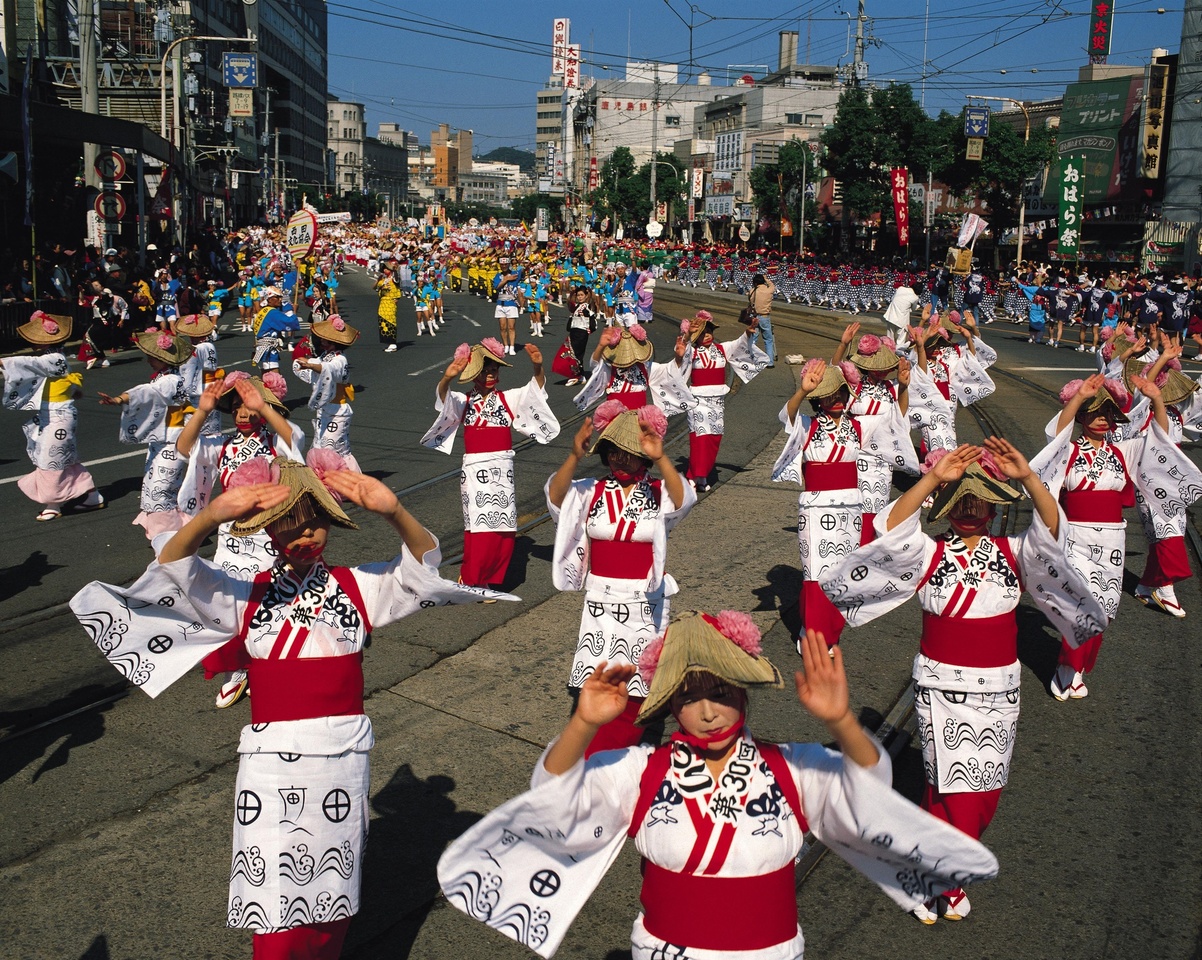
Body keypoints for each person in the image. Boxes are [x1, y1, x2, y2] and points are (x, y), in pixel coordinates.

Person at [71, 456, 513, 960]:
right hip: (271, 767)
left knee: (333, 890)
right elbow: (175, 567)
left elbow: (421, 567)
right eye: (288, 526)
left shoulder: (358, 586)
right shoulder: (243, 596)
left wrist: (393, 511)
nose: (304, 535)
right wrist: (210, 516)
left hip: (342, 761)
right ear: (267, 533)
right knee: (275, 899)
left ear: (330, 524)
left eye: (314, 522)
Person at [438, 613, 999, 958]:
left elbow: (867, 787)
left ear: (745, 693)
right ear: (670, 706)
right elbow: (554, 799)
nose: (707, 713)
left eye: (722, 693)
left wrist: (840, 721)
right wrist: (583, 723)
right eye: (687, 698)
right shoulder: (643, 769)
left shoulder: (791, 766)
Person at [821, 439, 1105, 923]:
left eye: (981, 502)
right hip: (940, 689)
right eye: (962, 502)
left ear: (995, 508)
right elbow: (888, 530)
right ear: (948, 507)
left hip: (998, 689)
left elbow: (1055, 530)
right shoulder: (928, 553)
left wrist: (1029, 479)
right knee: (949, 789)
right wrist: (932, 479)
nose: (971, 510)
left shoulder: (1016, 552)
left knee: (986, 790)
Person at [1030, 373, 1202, 699]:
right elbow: (1055, 435)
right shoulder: (1067, 450)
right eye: (1094, 413)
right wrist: (1080, 396)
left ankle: (1077, 667)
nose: (1102, 420)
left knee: (1102, 609)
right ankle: (1067, 668)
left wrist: (1157, 400)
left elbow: (1161, 440)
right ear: (1080, 417)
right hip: (1074, 539)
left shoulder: (1124, 451)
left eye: (1107, 414)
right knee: (1078, 605)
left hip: (1112, 542)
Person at [545, 402, 696, 753]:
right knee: (599, 677)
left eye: (628, 454)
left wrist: (661, 458)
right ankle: (596, 742)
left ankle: (614, 750)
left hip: (644, 603)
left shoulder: (658, 493)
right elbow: (556, 500)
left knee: (636, 684)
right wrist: (573, 456)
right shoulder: (592, 490)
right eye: (612, 453)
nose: (619, 460)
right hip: (600, 601)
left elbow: (683, 501)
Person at [176, 371, 304, 708]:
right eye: (237, 409)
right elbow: (184, 447)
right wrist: (202, 411)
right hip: (230, 539)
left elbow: (294, 439)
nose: (243, 415)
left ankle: (268, 663)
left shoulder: (273, 443)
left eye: (249, 409)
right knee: (226, 605)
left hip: (267, 535)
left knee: (265, 603)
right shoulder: (222, 445)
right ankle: (240, 668)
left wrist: (264, 406)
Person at [772, 358, 915, 649]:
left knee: (841, 575)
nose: (835, 400)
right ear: (818, 400)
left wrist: (903, 388)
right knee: (814, 574)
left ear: (848, 394)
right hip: (815, 511)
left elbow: (896, 419)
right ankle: (810, 634)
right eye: (827, 395)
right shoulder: (808, 425)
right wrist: (801, 392)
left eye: (839, 393)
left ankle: (831, 634)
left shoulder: (859, 426)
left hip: (850, 510)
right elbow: (784, 418)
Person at [422, 339, 559, 589]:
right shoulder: (464, 402)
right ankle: (473, 578)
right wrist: (447, 378)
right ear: (474, 373)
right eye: (484, 370)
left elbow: (535, 392)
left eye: (493, 369)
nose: (489, 375)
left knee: (504, 530)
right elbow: (444, 402)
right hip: (475, 474)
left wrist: (538, 367)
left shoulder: (508, 399)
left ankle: (492, 577)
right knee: (478, 529)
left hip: (502, 474)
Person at [1, 311, 105, 521]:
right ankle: (93, 495)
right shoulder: (53, 358)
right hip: (54, 414)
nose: (33, 344)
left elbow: (28, 363)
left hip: (59, 416)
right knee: (65, 458)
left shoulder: (54, 358)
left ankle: (53, 503)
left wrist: (4, 362)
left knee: (50, 458)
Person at [98, 329, 193, 540]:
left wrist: (120, 399)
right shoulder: (165, 378)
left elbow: (145, 392)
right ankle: (177, 532)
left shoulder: (170, 381)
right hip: (163, 440)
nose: (148, 360)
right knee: (155, 487)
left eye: (153, 357)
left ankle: (169, 536)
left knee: (161, 489)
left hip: (173, 440)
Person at [678, 309, 769, 491]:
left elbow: (738, 344)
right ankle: (693, 475)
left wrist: (748, 332)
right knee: (699, 439)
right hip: (698, 402)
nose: (707, 336)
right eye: (703, 334)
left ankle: (703, 475)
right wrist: (687, 335)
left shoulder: (721, 349)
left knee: (713, 439)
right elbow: (680, 353)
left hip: (717, 403)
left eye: (710, 332)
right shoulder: (692, 352)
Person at [293, 315, 363, 472]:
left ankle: (343, 483)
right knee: (324, 446)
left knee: (330, 449)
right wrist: (305, 363)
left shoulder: (340, 360)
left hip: (337, 411)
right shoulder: (325, 356)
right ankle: (328, 483)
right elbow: (318, 365)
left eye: (326, 339)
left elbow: (329, 370)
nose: (322, 342)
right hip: (325, 410)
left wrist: (311, 366)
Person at [574, 324, 691, 414]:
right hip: (614, 421)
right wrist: (601, 346)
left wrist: (678, 358)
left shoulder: (646, 367)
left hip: (638, 420)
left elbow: (669, 371)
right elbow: (595, 365)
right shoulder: (610, 369)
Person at [252, 287, 300, 376]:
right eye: (277, 297)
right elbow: (290, 323)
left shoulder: (263, 311)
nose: (280, 300)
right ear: (270, 299)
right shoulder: (272, 312)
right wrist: (294, 311)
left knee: (266, 377)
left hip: (262, 347)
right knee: (274, 379)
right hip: (268, 350)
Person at [563, 286, 598, 386]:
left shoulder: (588, 306)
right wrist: (572, 292)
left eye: (582, 295)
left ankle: (574, 376)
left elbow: (592, 319)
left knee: (575, 353)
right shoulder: (576, 307)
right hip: (573, 331)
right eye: (578, 295)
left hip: (582, 332)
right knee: (574, 353)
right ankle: (581, 376)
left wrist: (589, 293)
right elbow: (569, 303)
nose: (579, 297)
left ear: (586, 296)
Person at [492, 256, 524, 356]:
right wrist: (506, 279)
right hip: (500, 304)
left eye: (506, 264)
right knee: (502, 327)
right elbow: (497, 287)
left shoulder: (515, 274)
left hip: (511, 303)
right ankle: (505, 345)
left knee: (511, 327)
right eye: (502, 265)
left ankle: (512, 346)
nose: (504, 266)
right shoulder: (498, 276)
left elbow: (523, 269)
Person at [882, 281, 923, 349]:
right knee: (900, 341)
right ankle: (898, 356)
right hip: (902, 320)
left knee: (889, 339)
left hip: (891, 316)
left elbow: (893, 299)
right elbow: (913, 309)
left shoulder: (900, 288)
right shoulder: (915, 297)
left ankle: (888, 353)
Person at [748, 272, 776, 366]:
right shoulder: (769, 290)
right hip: (765, 316)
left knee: (753, 339)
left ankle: (752, 359)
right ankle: (770, 362)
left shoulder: (752, 291)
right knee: (768, 340)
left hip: (755, 317)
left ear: (755, 283)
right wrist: (765, 278)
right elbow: (772, 285)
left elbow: (751, 302)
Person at [373, 264, 401, 352]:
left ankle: (393, 342)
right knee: (383, 321)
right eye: (384, 269)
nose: (385, 270)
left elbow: (397, 280)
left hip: (390, 301)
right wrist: (377, 280)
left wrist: (395, 270)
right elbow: (375, 288)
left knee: (390, 320)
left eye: (387, 269)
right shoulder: (382, 280)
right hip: (383, 302)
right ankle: (388, 342)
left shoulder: (394, 278)